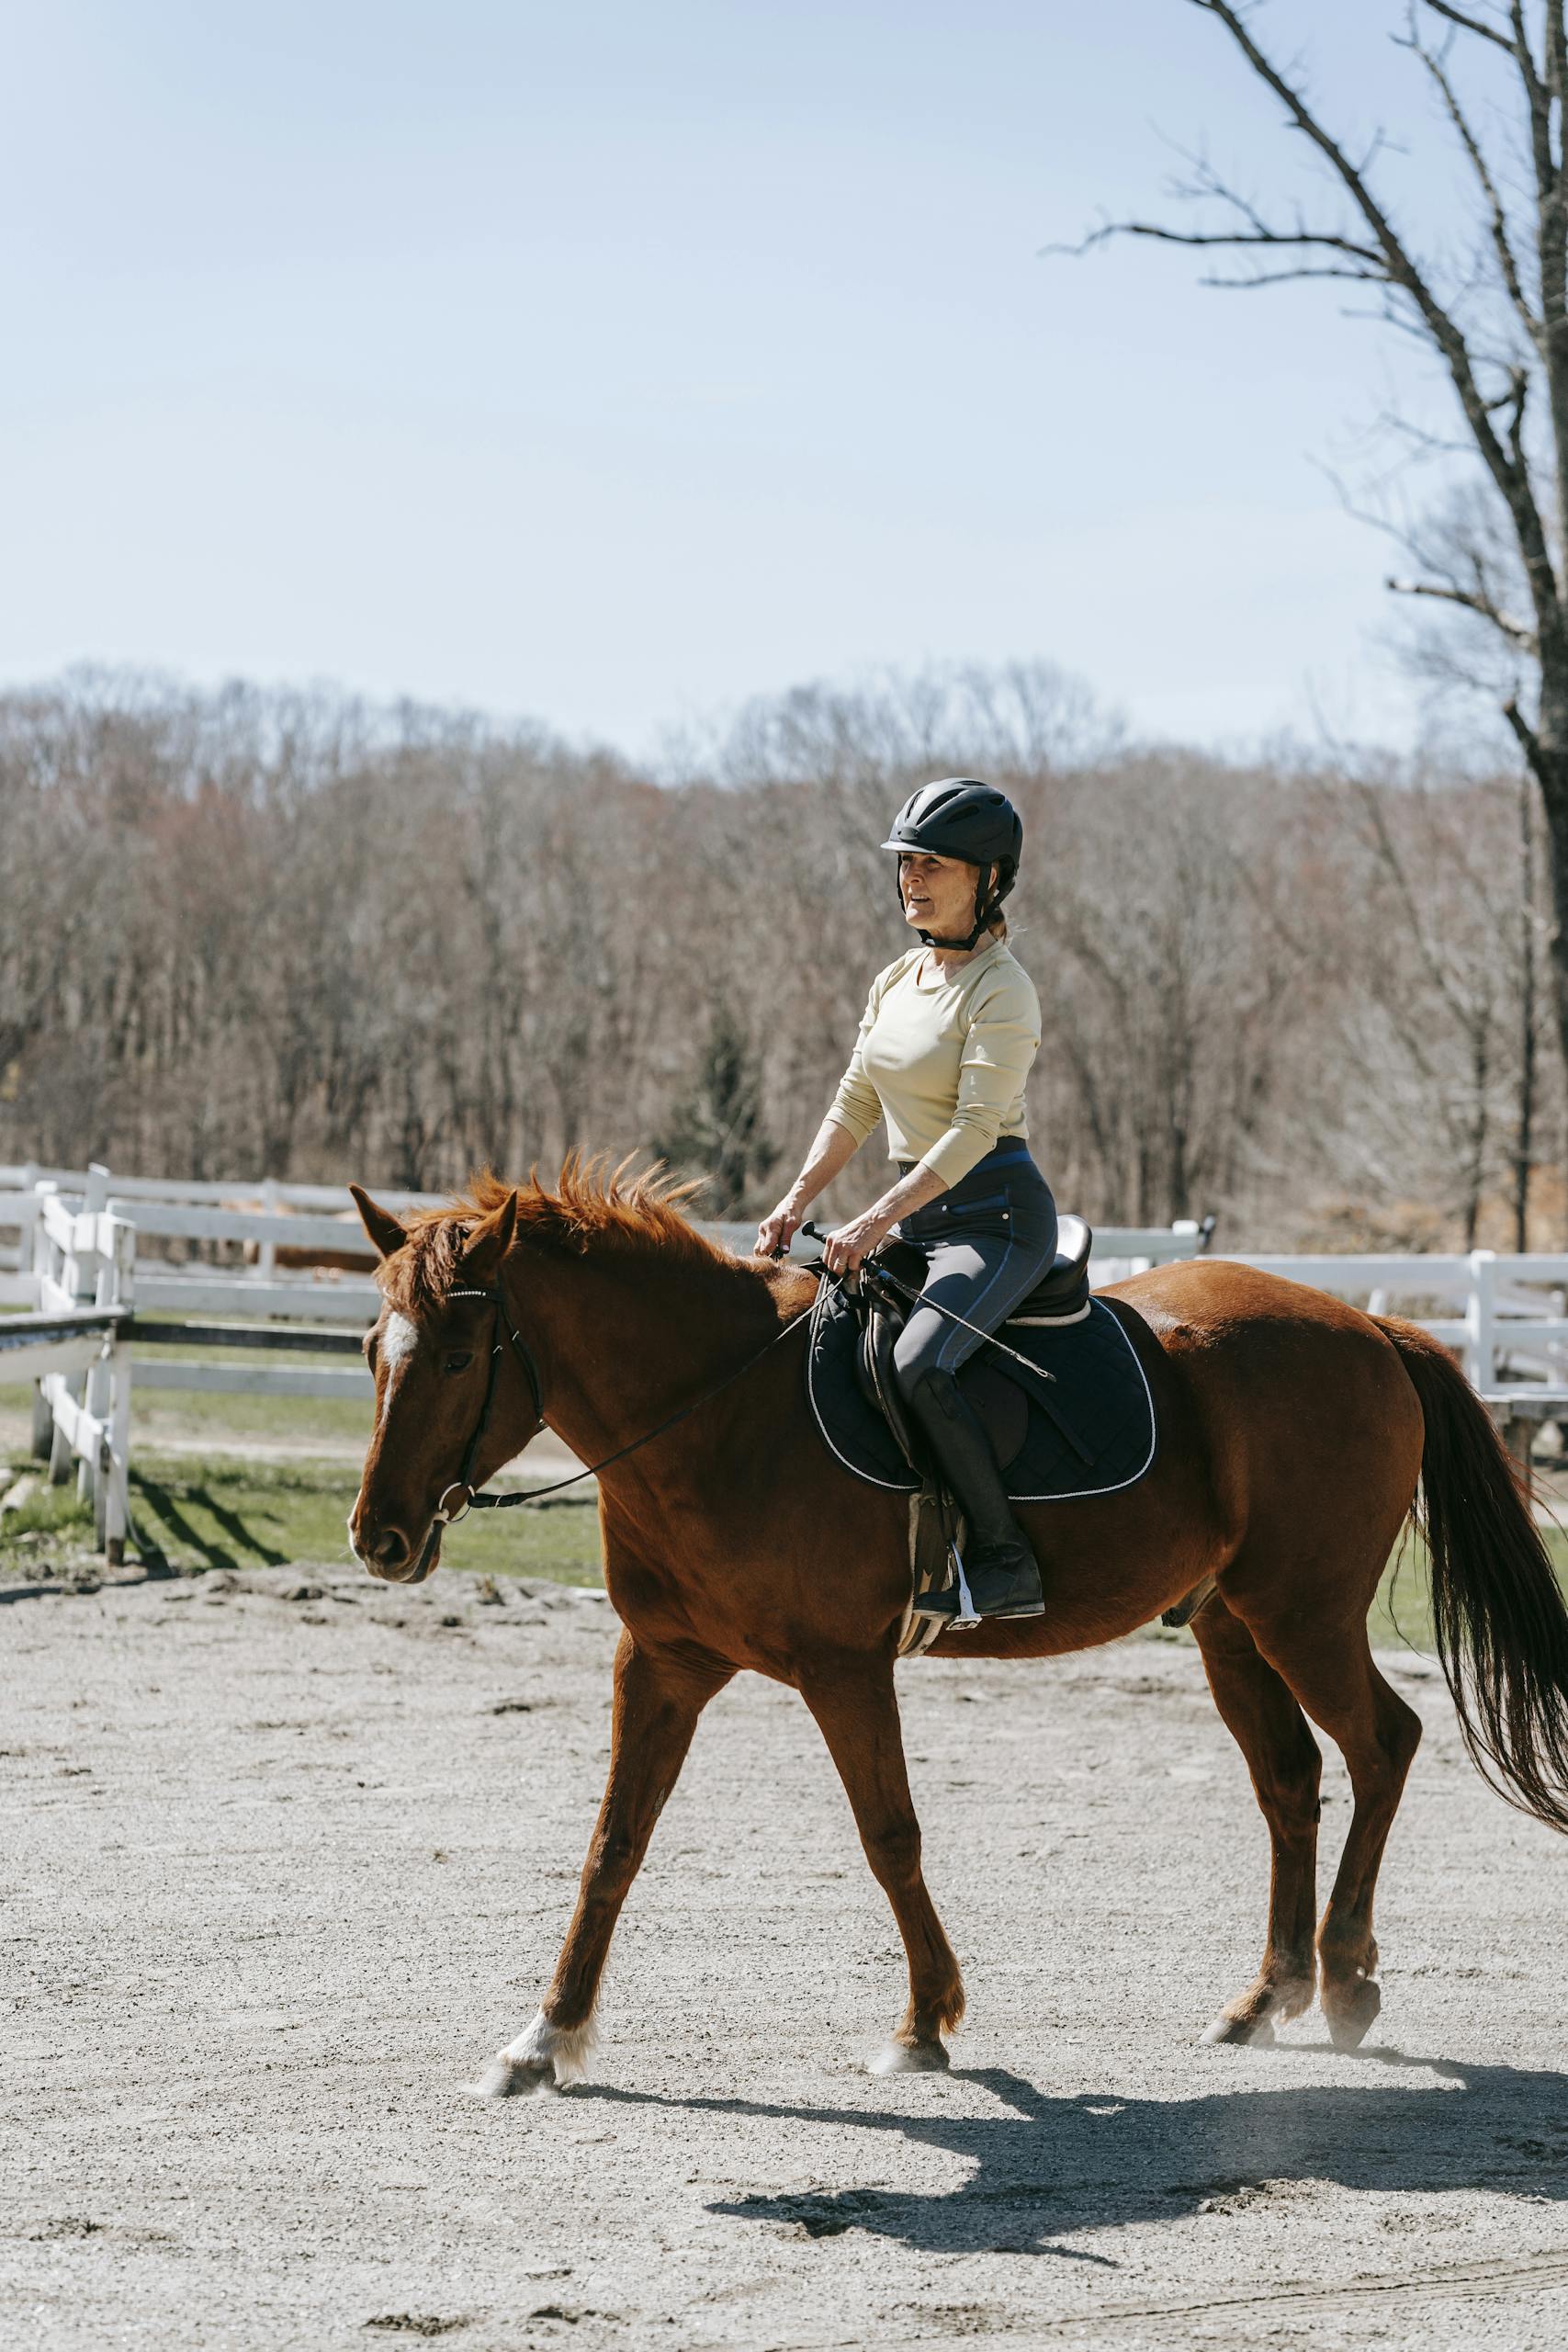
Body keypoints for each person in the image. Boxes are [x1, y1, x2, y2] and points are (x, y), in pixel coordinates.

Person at [756, 778, 1056, 1621]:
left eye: (934, 864)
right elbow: (855, 1099)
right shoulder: (897, 978)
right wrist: (794, 1202)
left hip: (993, 1218)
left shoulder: (1004, 990)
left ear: (989, 878)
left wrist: (869, 1218)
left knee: (919, 1363)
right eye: (905, 863)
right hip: (918, 1219)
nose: (911, 880)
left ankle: (1003, 1560)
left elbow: (971, 1129)